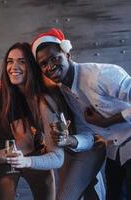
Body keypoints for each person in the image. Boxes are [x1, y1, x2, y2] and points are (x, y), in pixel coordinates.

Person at [30, 28, 131, 199]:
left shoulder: (99, 75)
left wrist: (108, 122)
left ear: (67, 54)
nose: (50, 66)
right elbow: (88, 134)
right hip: (114, 151)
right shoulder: (66, 93)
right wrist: (69, 140)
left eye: (55, 58)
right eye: (44, 63)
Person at [0, 43, 64, 200]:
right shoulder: (6, 93)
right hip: (6, 155)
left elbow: (28, 145)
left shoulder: (43, 100)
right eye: (10, 61)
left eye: (22, 61)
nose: (13, 66)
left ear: (31, 65)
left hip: (36, 155)